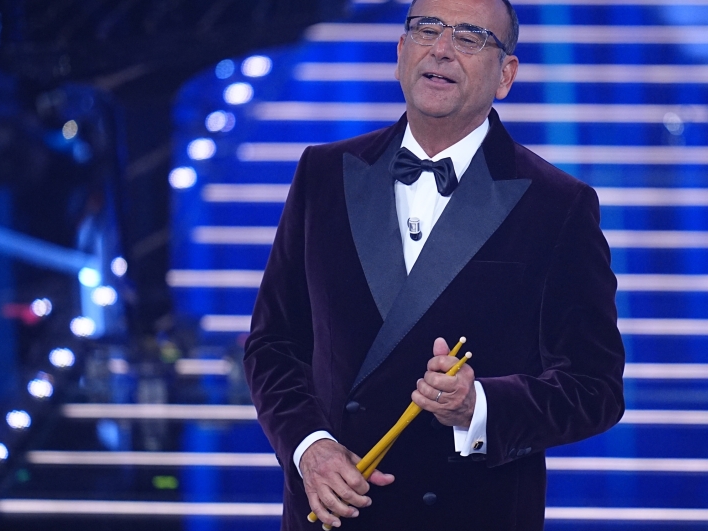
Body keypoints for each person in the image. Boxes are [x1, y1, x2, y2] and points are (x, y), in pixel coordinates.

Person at [243, 0, 625, 528]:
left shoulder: (558, 206)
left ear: (506, 75)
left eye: (470, 38)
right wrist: (309, 448)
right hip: (333, 509)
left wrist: (480, 407)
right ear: (401, 53)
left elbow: (596, 388)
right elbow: (272, 344)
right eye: (427, 29)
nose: (441, 49)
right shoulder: (323, 174)